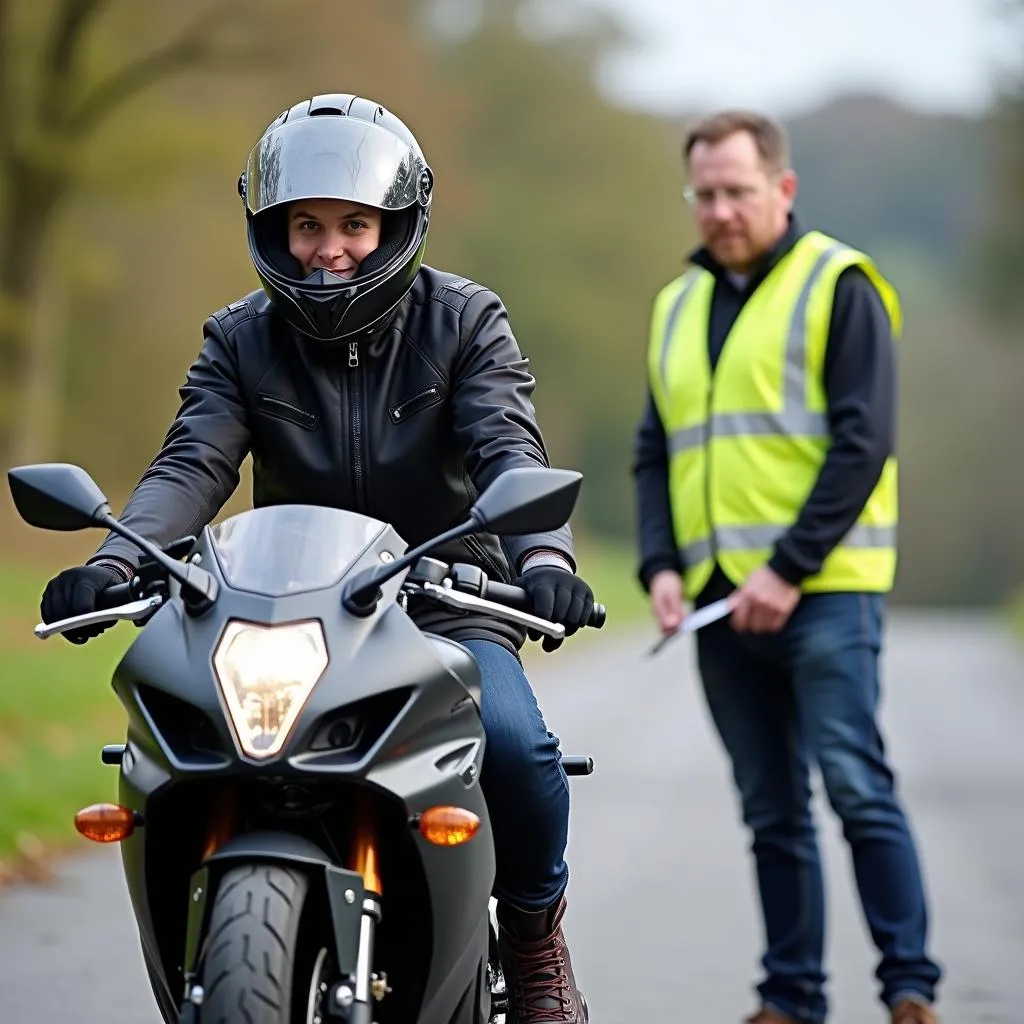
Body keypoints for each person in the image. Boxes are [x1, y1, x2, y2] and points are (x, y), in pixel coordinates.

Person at [40, 93, 593, 1024]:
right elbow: (194, 459)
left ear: (395, 225)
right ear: (272, 227)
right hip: (283, 606)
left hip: (441, 600)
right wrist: (116, 559)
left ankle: (535, 942)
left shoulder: (464, 323)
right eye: (305, 224)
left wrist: (541, 555)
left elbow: (508, 447)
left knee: (515, 744)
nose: (328, 247)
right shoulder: (240, 336)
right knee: (180, 743)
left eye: (351, 223)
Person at [631, 109, 942, 1024]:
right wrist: (659, 564)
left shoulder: (838, 285)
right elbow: (657, 451)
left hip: (825, 592)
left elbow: (865, 441)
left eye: (738, 190)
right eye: (706, 193)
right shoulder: (675, 305)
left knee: (855, 785)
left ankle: (910, 989)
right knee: (770, 810)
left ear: (783, 190)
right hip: (717, 603)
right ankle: (791, 999)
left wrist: (788, 570)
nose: (721, 210)